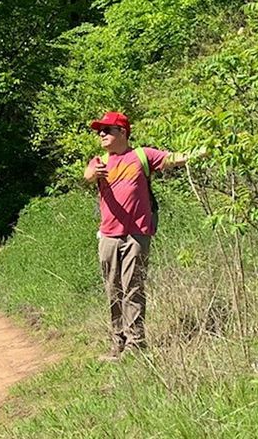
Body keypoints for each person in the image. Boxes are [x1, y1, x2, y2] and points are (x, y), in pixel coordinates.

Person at [83, 111, 199, 362]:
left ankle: (136, 343)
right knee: (113, 290)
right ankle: (117, 343)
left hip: (137, 234)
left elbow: (173, 159)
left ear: (122, 132)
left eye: (107, 130)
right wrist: (95, 174)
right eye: (99, 131)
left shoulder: (142, 156)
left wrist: (204, 150)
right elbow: (87, 176)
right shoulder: (99, 161)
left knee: (133, 287)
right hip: (109, 236)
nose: (101, 134)